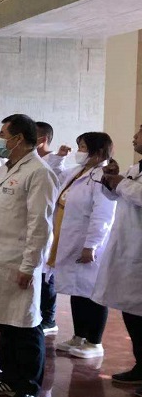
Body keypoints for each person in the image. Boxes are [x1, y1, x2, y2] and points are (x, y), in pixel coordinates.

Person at [0, 114, 57, 397]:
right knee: (5, 321)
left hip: (18, 262)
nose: (0, 139)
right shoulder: (5, 169)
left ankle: (29, 389)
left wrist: (30, 266)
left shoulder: (39, 173)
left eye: (4, 134)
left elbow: (40, 225)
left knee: (25, 324)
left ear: (19, 138)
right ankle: (8, 378)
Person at [49, 133, 116, 359]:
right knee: (76, 291)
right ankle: (79, 336)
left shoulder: (102, 177)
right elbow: (53, 176)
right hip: (69, 238)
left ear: (98, 152)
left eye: (84, 147)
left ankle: (94, 342)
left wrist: (91, 245)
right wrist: (58, 157)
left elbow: (103, 215)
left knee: (92, 293)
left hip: (87, 242)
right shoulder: (78, 172)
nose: (79, 151)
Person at [92, 124, 142, 395]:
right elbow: (116, 197)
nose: (134, 136)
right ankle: (140, 366)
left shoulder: (131, 177)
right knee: (132, 313)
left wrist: (121, 183)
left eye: (140, 132)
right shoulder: (135, 169)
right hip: (128, 250)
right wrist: (110, 180)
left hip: (138, 252)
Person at [36, 121, 70, 335]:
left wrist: (59, 158)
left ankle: (49, 318)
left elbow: (56, 177)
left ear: (42, 139)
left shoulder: (54, 162)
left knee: (46, 275)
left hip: (47, 225)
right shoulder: (31, 160)